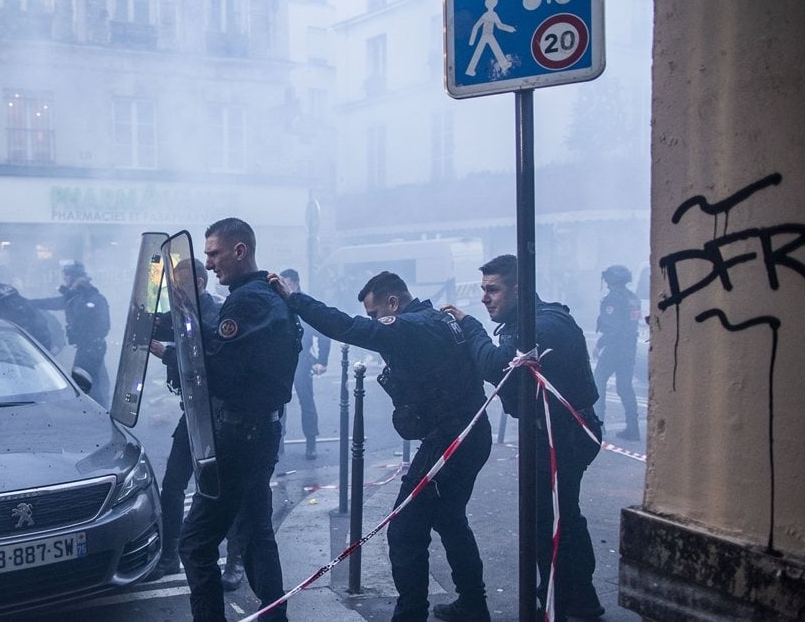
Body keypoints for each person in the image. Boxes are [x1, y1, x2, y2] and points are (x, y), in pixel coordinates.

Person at [271, 270, 493, 622]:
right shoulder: (436, 320)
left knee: (405, 531)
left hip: (449, 442)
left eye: (376, 314)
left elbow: (347, 327)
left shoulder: (411, 327)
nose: (374, 321)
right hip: (470, 435)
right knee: (450, 519)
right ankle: (474, 604)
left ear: (392, 303)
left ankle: (412, 615)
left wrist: (294, 299)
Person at [442, 255, 605, 621]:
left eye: (493, 290)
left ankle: (558, 600)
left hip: (565, 436)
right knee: (562, 516)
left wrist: (469, 325)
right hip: (557, 432)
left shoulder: (540, 326)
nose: (485, 298)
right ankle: (579, 597)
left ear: (519, 289)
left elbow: (493, 363)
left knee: (549, 521)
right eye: (483, 289)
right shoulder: (530, 323)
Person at [179, 218, 299, 622]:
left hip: (239, 436)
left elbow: (223, 371)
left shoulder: (245, 302)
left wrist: (182, 356)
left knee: (196, 543)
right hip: (262, 431)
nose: (209, 263)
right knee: (255, 533)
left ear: (239, 250)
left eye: (214, 253)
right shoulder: (267, 293)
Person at [146, 258, 245, 591]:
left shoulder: (216, 313)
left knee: (224, 487)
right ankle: (169, 556)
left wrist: (166, 354)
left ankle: (235, 560)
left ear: (200, 284)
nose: (175, 291)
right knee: (172, 484)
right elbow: (161, 327)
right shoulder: (183, 312)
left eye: (180, 285)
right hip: (192, 411)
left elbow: (205, 358)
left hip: (217, 415)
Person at [36, 261, 112, 408]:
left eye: (67, 275)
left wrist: (77, 292)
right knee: (97, 380)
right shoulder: (76, 296)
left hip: (90, 347)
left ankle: (98, 410)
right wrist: (28, 303)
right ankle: (104, 408)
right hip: (91, 346)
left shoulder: (87, 296)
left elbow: (94, 322)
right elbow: (53, 303)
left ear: (75, 276)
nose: (64, 278)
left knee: (83, 382)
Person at [277, 268, 331, 460]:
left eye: (287, 284)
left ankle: (311, 442)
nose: (284, 287)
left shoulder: (304, 302)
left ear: (296, 283)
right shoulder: (279, 302)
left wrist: (322, 361)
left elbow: (322, 333)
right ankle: (278, 443)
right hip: (282, 359)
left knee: (306, 401)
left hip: (301, 359)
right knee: (279, 402)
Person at [594, 264, 642, 440]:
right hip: (629, 348)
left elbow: (613, 327)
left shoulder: (613, 299)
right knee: (625, 387)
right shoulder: (632, 298)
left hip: (615, 347)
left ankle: (598, 424)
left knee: (598, 381)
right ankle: (633, 428)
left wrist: (600, 344)